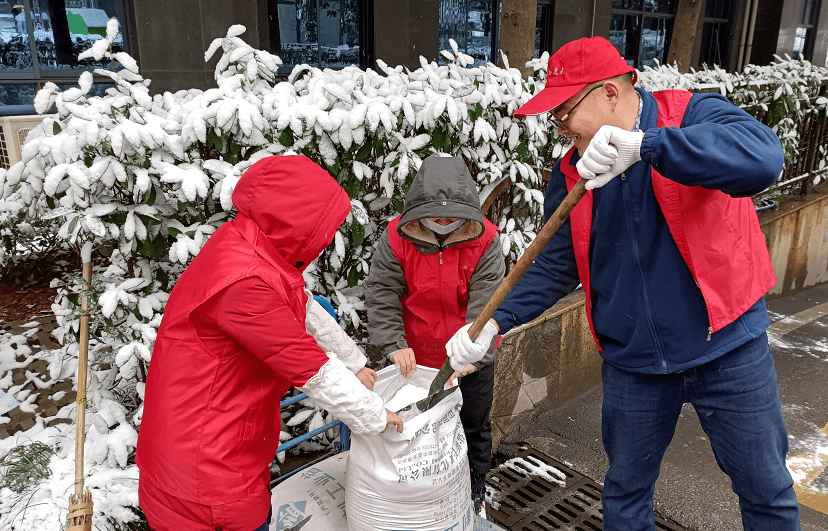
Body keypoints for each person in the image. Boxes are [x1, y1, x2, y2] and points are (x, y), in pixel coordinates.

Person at [445, 37, 801, 530]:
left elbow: (762, 160)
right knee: (625, 497)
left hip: (728, 348)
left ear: (611, 92)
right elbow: (554, 264)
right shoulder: (572, 171)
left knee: (766, 491)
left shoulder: (692, 114)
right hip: (633, 362)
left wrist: (645, 148)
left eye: (565, 110)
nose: (561, 126)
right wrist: (494, 323)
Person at [136, 155, 403, 531]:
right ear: (296, 223)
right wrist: (376, 417)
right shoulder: (243, 283)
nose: (327, 240)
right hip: (205, 474)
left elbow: (301, 303)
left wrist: (355, 361)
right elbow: (307, 366)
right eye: (323, 228)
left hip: (207, 448)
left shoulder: (247, 245)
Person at [364, 155, 505, 517]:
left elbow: (487, 304)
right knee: (414, 430)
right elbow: (382, 292)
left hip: (468, 358)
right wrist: (394, 344)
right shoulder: (398, 238)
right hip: (415, 357)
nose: (443, 224)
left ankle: (475, 487)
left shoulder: (485, 240)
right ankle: (418, 495)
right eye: (435, 217)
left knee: (473, 424)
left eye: (451, 218)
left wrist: (472, 358)